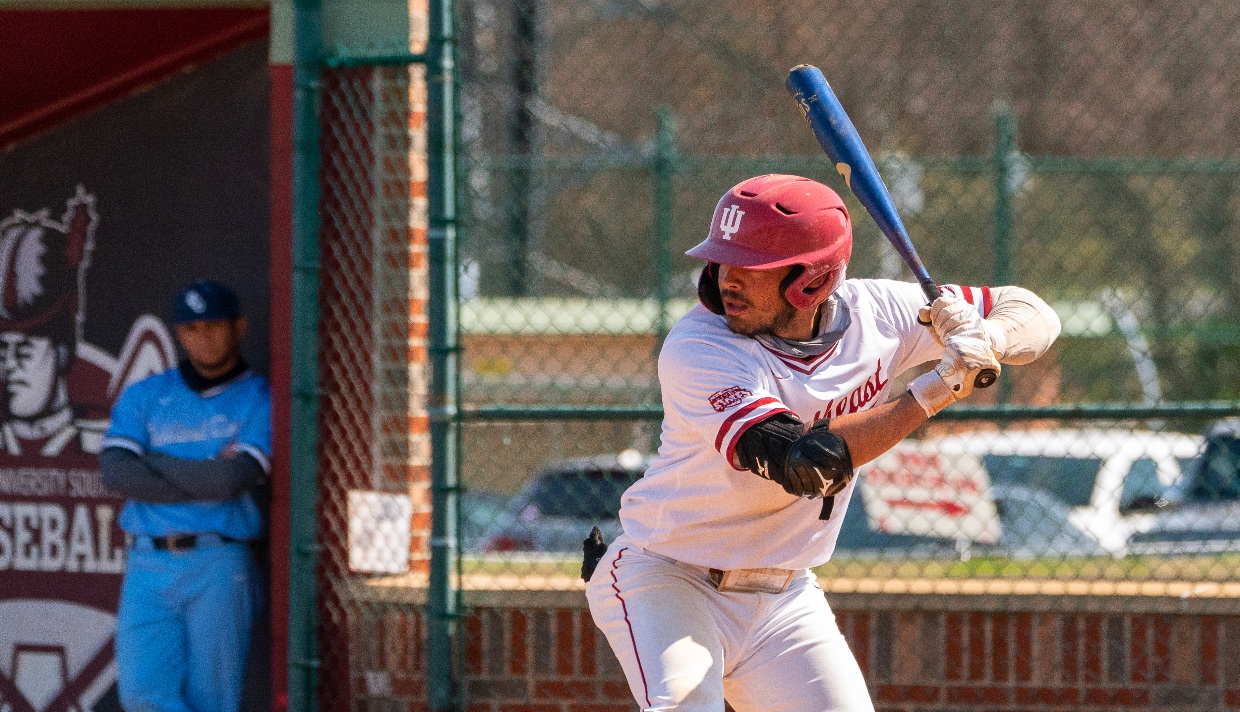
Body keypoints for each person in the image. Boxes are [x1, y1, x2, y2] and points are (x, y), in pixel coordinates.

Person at [581, 174, 1061, 711]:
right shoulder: (700, 347)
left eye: (751, 266)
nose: (725, 280)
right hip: (668, 575)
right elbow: (806, 463)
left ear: (810, 280)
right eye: (721, 260)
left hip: (784, 595)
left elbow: (1035, 312)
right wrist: (934, 390)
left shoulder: (882, 312)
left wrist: (984, 335)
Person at [100, 279, 271, 712]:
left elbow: (231, 481)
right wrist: (205, 472)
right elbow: (117, 473)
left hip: (217, 562)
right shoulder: (146, 395)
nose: (204, 337)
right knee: (142, 697)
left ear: (239, 327)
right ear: (179, 334)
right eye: (192, 329)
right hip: (148, 562)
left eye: (214, 325)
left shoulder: (259, 398)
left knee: (213, 701)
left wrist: (154, 460)